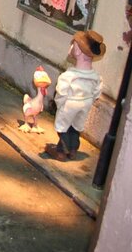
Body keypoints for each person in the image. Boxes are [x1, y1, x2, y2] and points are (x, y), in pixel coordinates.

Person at [45, 30, 105, 161]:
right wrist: (90, 100)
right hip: (86, 102)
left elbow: (61, 92)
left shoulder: (68, 76)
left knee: (63, 126)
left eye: (73, 45)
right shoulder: (95, 76)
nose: (71, 47)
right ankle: (73, 149)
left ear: (77, 51)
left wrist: (59, 104)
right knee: (76, 126)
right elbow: (97, 91)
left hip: (70, 102)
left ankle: (61, 150)